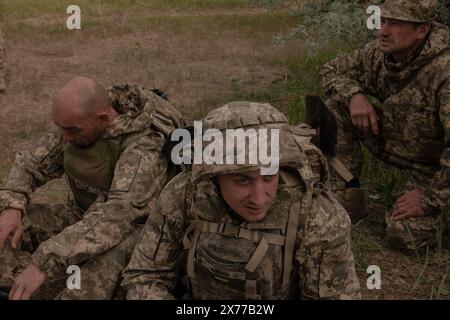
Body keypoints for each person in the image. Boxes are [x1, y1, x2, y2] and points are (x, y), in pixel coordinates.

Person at [121, 101, 361, 300]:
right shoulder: (184, 193)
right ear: (214, 176)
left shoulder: (319, 215)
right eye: (242, 181)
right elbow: (145, 275)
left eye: (269, 177)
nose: (259, 198)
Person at [0, 76, 183, 299]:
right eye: (62, 128)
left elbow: (116, 217)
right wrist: (13, 205)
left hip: (134, 236)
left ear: (103, 120)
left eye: (72, 131)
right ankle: (16, 289)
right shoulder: (78, 123)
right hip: (82, 218)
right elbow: (31, 164)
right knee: (6, 227)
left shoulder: (143, 147)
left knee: (99, 270)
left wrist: (44, 261)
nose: (65, 138)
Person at [318, 0, 449, 251]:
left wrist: (430, 198)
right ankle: (347, 193)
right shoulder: (378, 53)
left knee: (405, 234)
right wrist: (354, 95)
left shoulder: (444, 70)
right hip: (396, 143)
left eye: (396, 23)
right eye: (382, 20)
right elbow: (330, 70)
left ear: (422, 30)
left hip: (434, 171)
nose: (383, 31)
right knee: (335, 108)